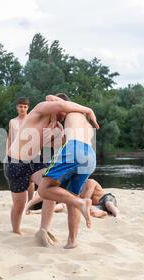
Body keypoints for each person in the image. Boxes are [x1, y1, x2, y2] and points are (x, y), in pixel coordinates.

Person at [5, 94, 99, 246]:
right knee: (19, 204)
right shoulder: (40, 109)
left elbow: (60, 147)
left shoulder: (59, 126)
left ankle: (44, 229)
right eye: (63, 111)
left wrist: (57, 134)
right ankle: (16, 231)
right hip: (15, 161)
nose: (64, 115)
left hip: (35, 161)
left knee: (51, 188)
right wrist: (88, 110)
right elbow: (58, 103)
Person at [38, 93, 98, 249]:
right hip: (90, 156)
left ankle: (82, 203)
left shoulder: (72, 111)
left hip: (75, 149)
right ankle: (72, 241)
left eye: (56, 110)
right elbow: (61, 144)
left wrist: (88, 109)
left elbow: (49, 97)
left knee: (44, 190)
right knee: (72, 197)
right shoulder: (82, 121)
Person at [6, 97, 35, 202]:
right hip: (15, 154)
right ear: (17, 108)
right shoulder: (12, 122)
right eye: (20, 106)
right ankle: (19, 201)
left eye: (25, 107)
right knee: (17, 177)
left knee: (31, 179)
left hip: (29, 152)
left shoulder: (32, 120)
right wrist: (7, 154)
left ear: (28, 108)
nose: (23, 109)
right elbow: (10, 138)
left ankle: (30, 201)